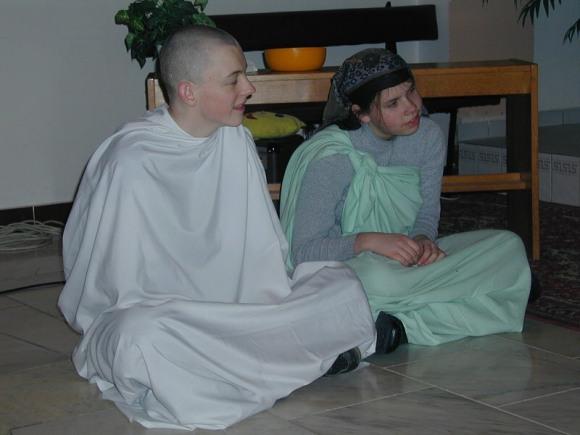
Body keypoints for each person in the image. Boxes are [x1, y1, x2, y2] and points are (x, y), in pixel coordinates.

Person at [57, 26, 377, 431]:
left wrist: (245, 312)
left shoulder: (234, 140)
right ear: (189, 92)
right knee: (139, 339)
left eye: (245, 75)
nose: (249, 88)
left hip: (237, 314)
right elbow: (108, 289)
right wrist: (192, 317)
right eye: (233, 80)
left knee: (340, 285)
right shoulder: (129, 161)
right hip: (167, 320)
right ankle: (295, 361)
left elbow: (262, 259)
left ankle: (239, 368)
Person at [280, 48, 531, 351]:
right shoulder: (331, 158)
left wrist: (423, 241)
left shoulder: (427, 137)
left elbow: (427, 213)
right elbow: (304, 252)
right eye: (393, 103)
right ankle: (456, 301)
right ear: (361, 113)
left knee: (508, 246)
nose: (411, 107)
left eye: (411, 91)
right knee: (377, 279)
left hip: (407, 265)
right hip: (351, 268)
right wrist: (368, 242)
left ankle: (394, 326)